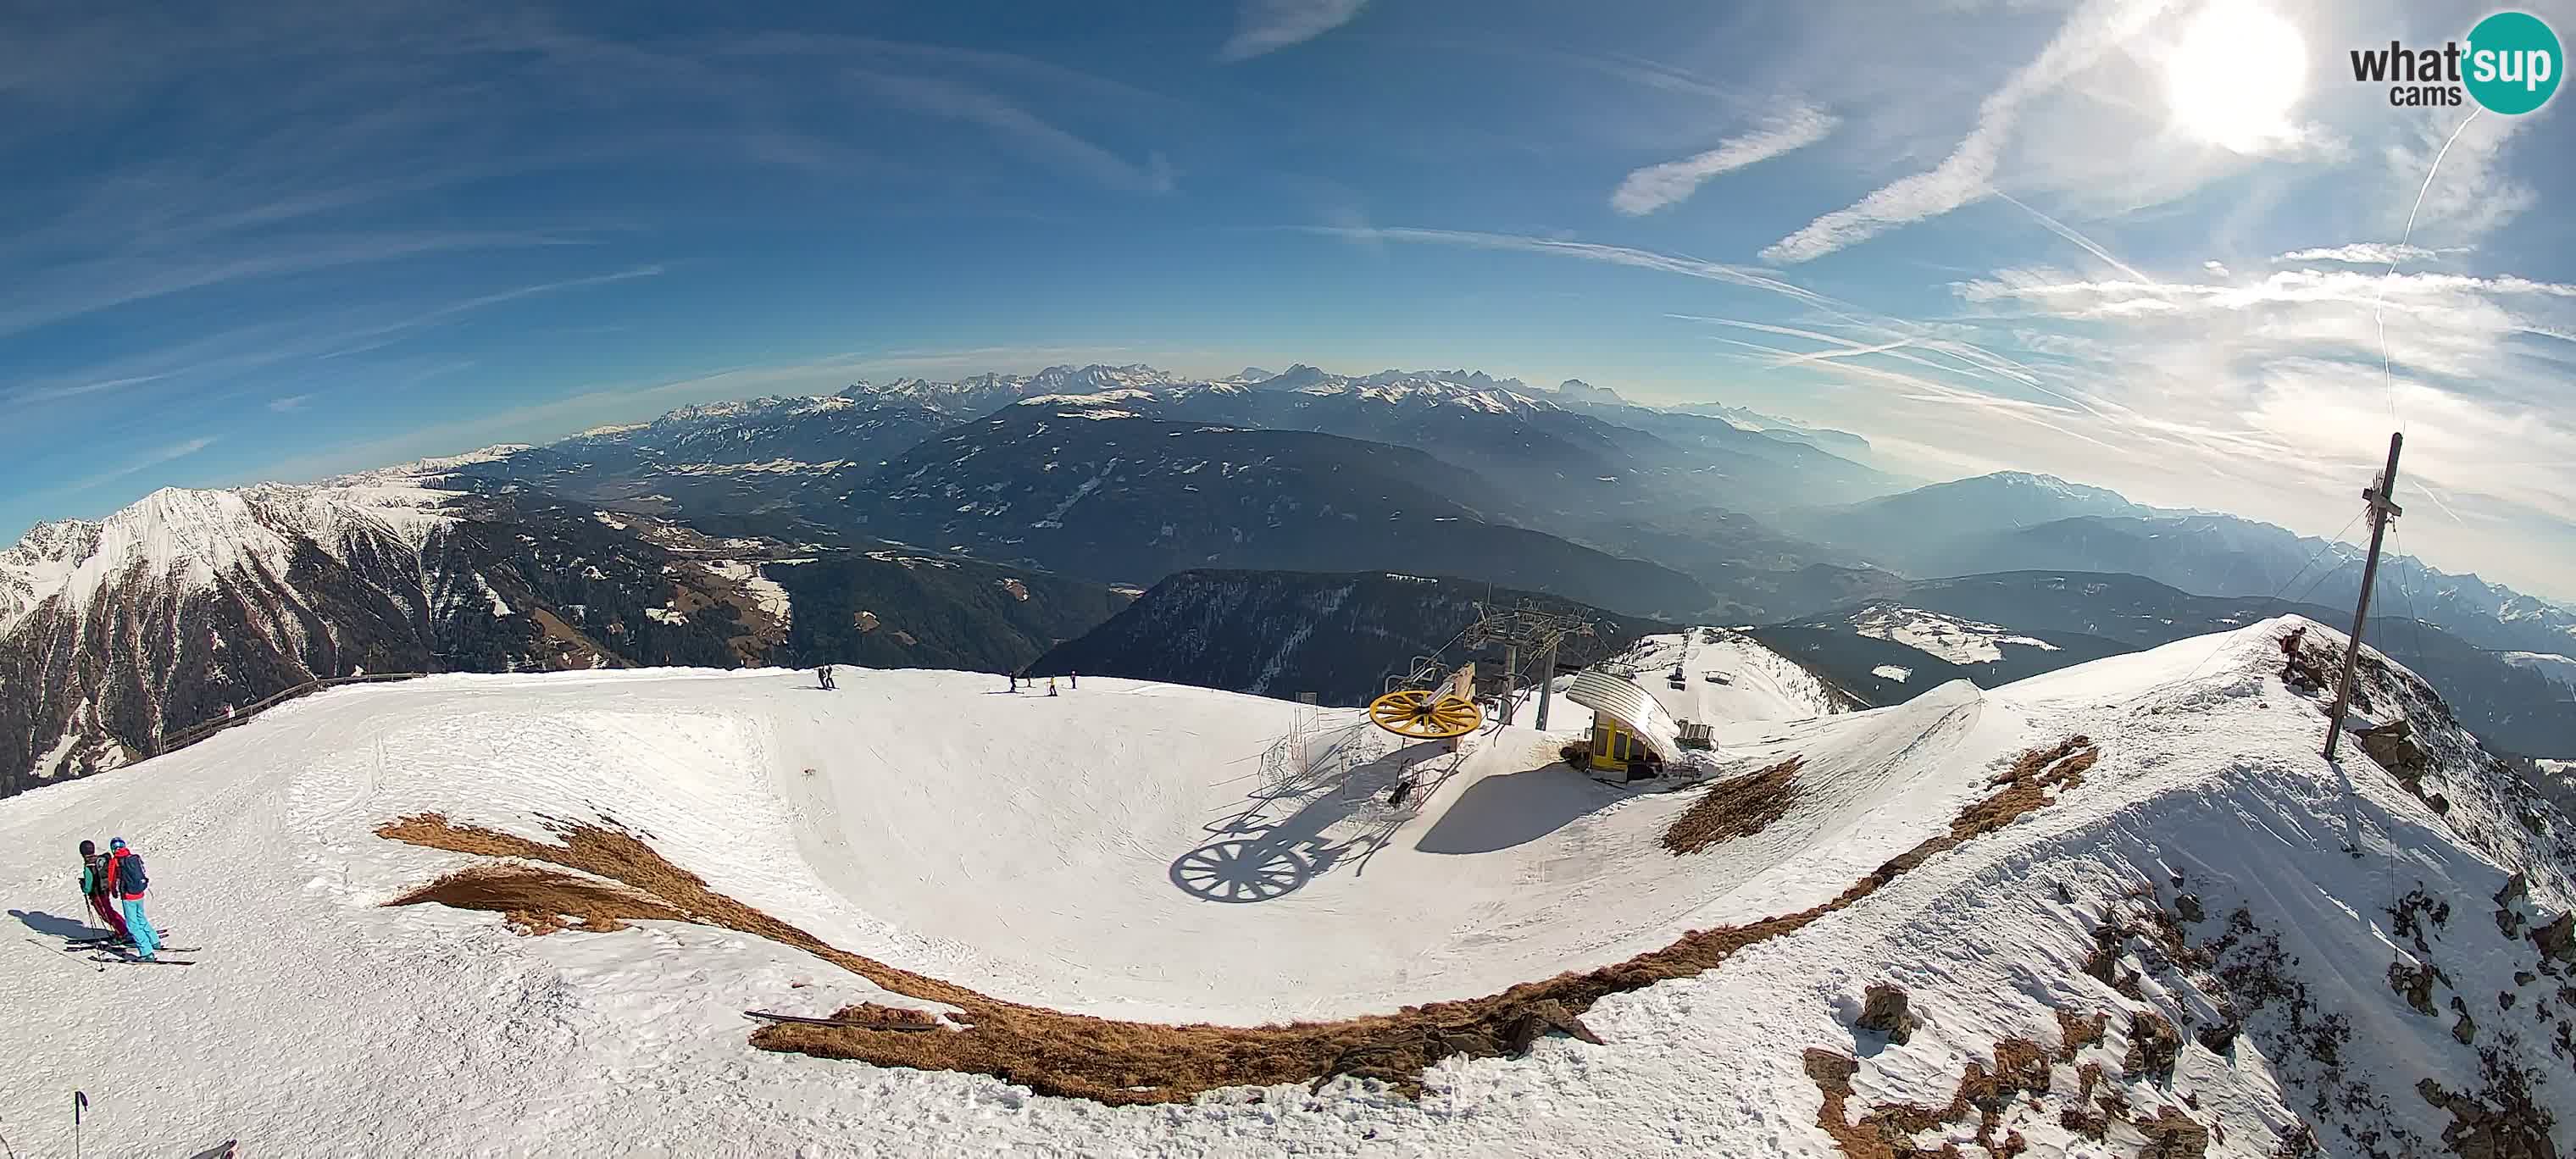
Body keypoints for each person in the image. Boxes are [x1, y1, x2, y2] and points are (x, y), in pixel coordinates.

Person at [103, 838, 158, 961]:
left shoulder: (115, 861)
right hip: (140, 893)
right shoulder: (133, 857)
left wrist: (113, 891)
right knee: (141, 918)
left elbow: (111, 879)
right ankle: (154, 941)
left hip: (128, 896)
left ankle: (146, 952)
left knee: (132, 925)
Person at [76, 840, 129, 943]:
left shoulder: (89, 865)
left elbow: (88, 886)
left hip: (97, 894)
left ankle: (123, 933)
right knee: (109, 911)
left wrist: (84, 888)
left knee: (106, 914)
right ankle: (124, 928)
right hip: (105, 890)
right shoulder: (100, 860)